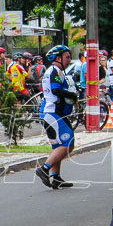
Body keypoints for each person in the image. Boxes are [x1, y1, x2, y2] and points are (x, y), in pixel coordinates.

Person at [37, 45, 77, 189]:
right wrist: (71, 95)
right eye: (67, 57)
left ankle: (56, 177)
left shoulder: (54, 71)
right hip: (53, 112)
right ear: (58, 58)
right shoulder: (54, 70)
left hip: (51, 112)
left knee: (57, 146)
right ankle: (44, 169)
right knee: (68, 143)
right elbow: (56, 89)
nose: (69, 60)